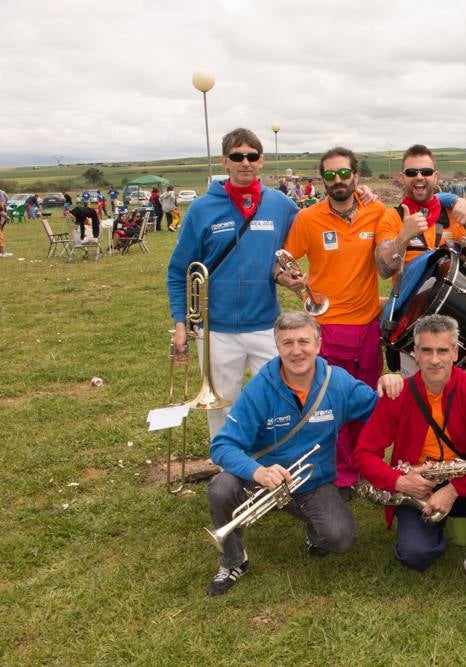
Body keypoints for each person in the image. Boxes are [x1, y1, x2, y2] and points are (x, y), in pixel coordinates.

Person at [204, 312, 403, 596]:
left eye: (303, 341)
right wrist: (258, 472)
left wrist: (389, 385)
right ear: (277, 347)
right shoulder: (260, 389)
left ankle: (314, 530)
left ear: (319, 345)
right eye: (287, 343)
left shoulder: (338, 382)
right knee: (221, 489)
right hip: (262, 479)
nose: (296, 351)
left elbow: (380, 413)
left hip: (310, 482)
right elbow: (222, 446)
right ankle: (234, 559)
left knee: (341, 539)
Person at [353, 315, 466, 605]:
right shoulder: (398, 394)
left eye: (443, 351)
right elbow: (364, 453)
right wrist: (399, 481)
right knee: (415, 556)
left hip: (462, 480)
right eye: (426, 351)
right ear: (414, 353)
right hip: (417, 486)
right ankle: (435, 531)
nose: (434, 360)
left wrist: (453, 490)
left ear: (456, 352)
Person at [166, 127, 301, 437]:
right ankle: (228, 470)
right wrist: (180, 323)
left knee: (283, 396)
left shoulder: (279, 203)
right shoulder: (202, 208)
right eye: (237, 157)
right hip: (217, 329)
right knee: (223, 406)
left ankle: (276, 461)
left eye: (251, 156)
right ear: (224, 161)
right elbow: (178, 272)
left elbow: (316, 221)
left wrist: (361, 195)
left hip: (267, 323)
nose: (245, 163)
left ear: (261, 160)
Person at [281, 147, 387, 497]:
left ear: (356, 175)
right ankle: (340, 475)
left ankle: (366, 465)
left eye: (344, 173)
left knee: (367, 401)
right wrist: (288, 279)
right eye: (329, 175)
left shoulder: (378, 212)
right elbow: (282, 261)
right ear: (321, 179)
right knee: (329, 405)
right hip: (327, 329)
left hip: (368, 326)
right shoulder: (308, 218)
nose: (337, 180)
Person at [375, 144, 466, 279]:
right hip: (410, 299)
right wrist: (403, 238)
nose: (419, 177)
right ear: (403, 178)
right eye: (411, 172)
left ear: (436, 176)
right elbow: (384, 271)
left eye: (426, 171)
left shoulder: (455, 215)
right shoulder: (392, 217)